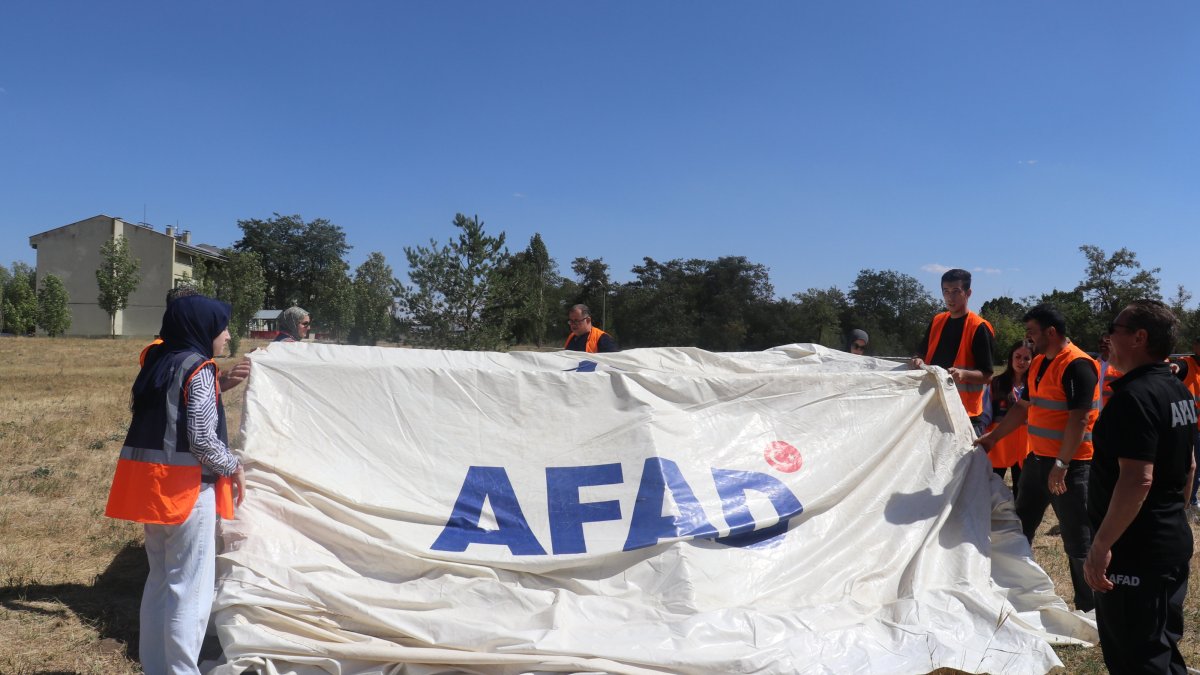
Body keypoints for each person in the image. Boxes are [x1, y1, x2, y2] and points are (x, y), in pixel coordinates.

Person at [105, 295, 246, 675]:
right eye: (223, 327)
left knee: (160, 584)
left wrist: (222, 384)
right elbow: (201, 437)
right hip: (187, 495)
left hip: (154, 494)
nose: (227, 335)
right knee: (191, 593)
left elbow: (177, 409)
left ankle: (156, 668)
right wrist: (233, 465)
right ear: (203, 329)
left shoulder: (159, 360)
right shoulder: (199, 367)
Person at [1084, 300, 1195, 673]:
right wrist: (1170, 517)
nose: (1108, 338)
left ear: (1139, 337)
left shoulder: (1133, 398)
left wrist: (1101, 545)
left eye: (1114, 329)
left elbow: (1138, 479)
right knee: (1160, 649)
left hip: (1135, 554)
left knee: (1136, 659)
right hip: (1167, 542)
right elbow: (1189, 465)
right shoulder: (1177, 390)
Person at [975, 304, 1099, 612]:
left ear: (1051, 332)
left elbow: (1079, 420)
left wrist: (1061, 465)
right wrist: (993, 438)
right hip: (1037, 461)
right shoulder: (1041, 363)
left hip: (1071, 468)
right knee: (1018, 528)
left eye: (1031, 332)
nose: (1028, 339)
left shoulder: (1078, 365)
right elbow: (1022, 407)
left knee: (1077, 539)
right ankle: (1012, 593)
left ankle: (1090, 607)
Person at [910, 268, 996, 436]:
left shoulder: (979, 327)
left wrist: (963, 374)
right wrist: (917, 360)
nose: (950, 297)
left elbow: (987, 375)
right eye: (946, 291)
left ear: (968, 293)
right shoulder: (937, 321)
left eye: (956, 291)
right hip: (933, 407)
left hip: (965, 414)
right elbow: (919, 353)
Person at [140, 287, 250, 391]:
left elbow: (211, 379)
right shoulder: (158, 350)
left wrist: (252, 360)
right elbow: (177, 391)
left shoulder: (198, 350)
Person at [982, 341, 1033, 496]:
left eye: (1026, 358)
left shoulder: (1036, 385)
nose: (1021, 361)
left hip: (1026, 448)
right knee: (991, 492)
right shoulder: (996, 383)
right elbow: (985, 414)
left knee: (1022, 494)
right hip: (999, 447)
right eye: (1017, 356)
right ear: (1011, 358)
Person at [1172, 335, 1200, 507]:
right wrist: (1173, 367)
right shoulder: (1186, 364)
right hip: (1190, 428)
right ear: (1195, 346)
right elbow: (1177, 366)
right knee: (1191, 469)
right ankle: (1188, 503)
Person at [1097, 330, 1123, 409]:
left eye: (1106, 342)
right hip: (1096, 412)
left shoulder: (1120, 365)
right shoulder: (1094, 363)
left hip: (1113, 410)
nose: (1103, 344)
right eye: (1100, 342)